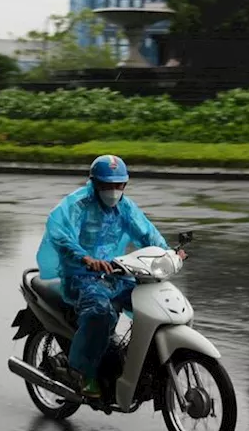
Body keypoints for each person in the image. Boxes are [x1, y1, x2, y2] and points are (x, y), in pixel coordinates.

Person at [35, 155, 173, 398]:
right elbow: (59, 232)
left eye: (119, 185)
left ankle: (133, 361)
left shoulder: (125, 207)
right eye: (107, 185)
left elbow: (147, 233)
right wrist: (84, 258)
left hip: (114, 272)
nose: (113, 191)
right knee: (101, 311)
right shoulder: (77, 205)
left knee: (152, 301)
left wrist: (168, 252)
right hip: (80, 276)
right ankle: (79, 371)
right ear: (94, 183)